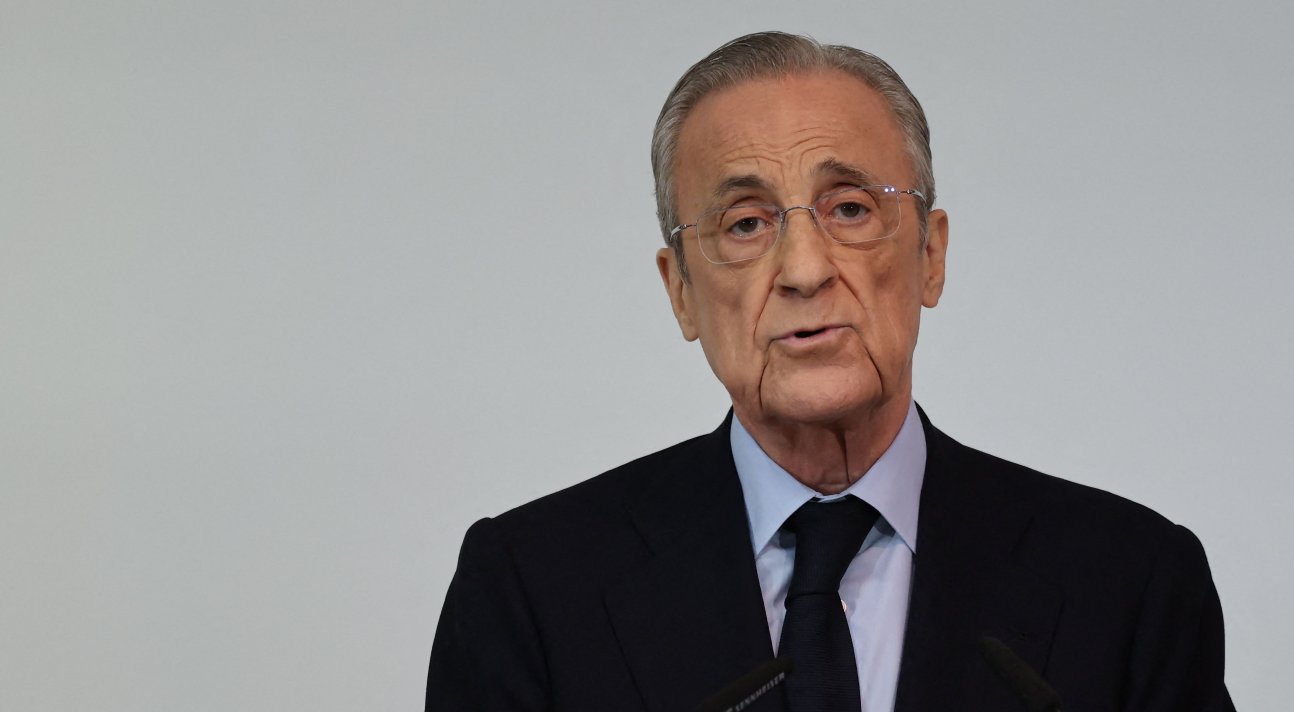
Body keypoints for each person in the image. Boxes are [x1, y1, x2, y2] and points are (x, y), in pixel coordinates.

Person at [427, 31, 1236, 712]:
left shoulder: (1130, 586)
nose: (805, 270)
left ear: (931, 254)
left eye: (850, 208)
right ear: (680, 293)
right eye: (745, 224)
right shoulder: (532, 589)